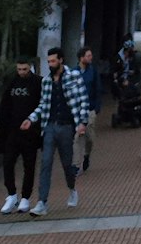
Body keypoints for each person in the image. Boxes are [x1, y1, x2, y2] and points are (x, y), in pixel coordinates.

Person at [22, 47, 90, 218]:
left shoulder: (74, 77)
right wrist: (31, 119)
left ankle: (72, 189)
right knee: (45, 163)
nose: (50, 64)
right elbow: (43, 104)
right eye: (49, 61)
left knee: (67, 164)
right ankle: (42, 202)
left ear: (61, 60)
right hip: (50, 126)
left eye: (53, 61)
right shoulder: (46, 82)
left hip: (67, 126)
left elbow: (83, 100)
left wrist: (82, 122)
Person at [0, 58, 41, 214]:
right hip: (12, 131)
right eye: (19, 69)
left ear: (30, 68)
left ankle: (25, 197)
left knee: (29, 165)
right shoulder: (12, 83)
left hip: (30, 133)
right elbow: (5, 106)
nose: (21, 72)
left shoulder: (37, 83)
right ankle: (12, 194)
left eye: (25, 69)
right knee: (8, 162)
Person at [75, 45, 102, 173]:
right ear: (81, 58)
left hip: (90, 108)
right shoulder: (73, 72)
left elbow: (98, 89)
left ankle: (87, 155)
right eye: (88, 56)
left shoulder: (93, 71)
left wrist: (97, 107)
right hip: (77, 110)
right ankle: (77, 164)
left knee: (89, 137)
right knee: (77, 137)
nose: (91, 58)